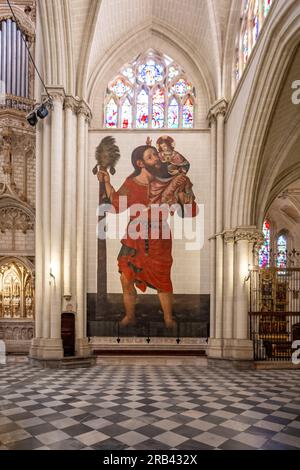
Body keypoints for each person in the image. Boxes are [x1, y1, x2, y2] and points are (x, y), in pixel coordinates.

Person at [98, 144, 197, 329]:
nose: (157, 159)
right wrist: (106, 182)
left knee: (162, 278)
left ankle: (168, 319)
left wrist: (186, 196)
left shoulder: (170, 181)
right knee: (126, 277)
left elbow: (190, 211)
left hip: (159, 236)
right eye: (151, 156)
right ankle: (130, 316)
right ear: (140, 163)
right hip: (133, 236)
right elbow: (117, 205)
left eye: (156, 155)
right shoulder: (132, 183)